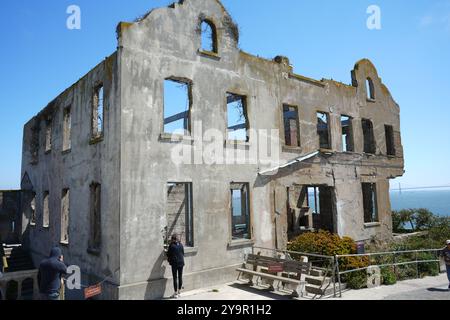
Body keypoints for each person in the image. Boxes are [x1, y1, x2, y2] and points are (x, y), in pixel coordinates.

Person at [166, 234, 185, 299]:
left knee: (175, 278)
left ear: (173, 239)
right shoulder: (181, 245)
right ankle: (179, 291)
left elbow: (168, 254)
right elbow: (183, 253)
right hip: (181, 263)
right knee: (180, 276)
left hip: (175, 264)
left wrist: (169, 261)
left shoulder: (171, 246)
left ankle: (175, 293)